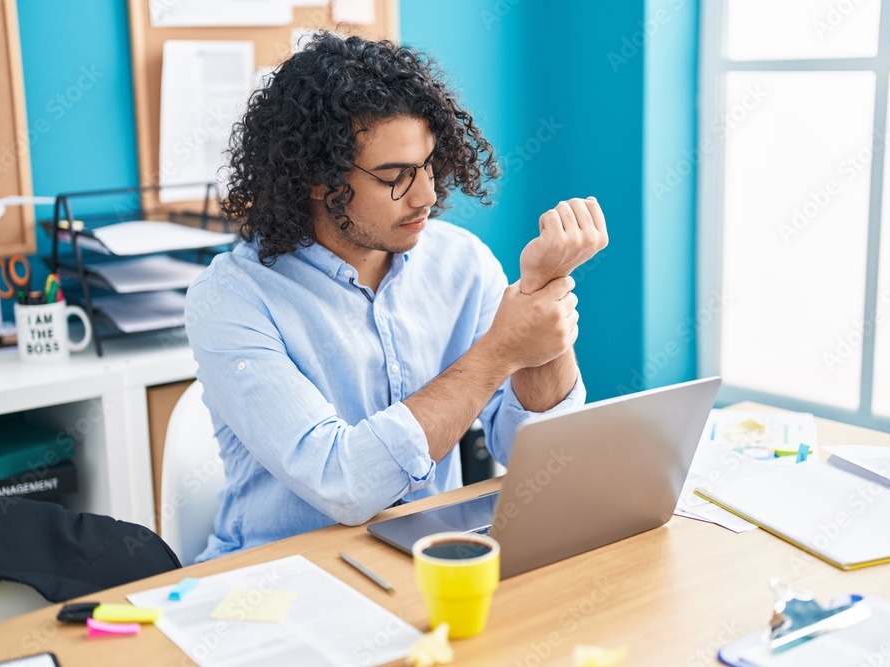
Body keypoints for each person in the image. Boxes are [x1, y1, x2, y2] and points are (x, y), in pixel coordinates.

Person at [184, 32, 607, 563]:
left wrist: (542, 293)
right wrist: (500, 351)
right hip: (281, 578)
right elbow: (344, 482)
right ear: (318, 177)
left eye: (428, 165)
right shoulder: (231, 299)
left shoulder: (462, 262)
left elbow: (533, 455)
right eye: (395, 176)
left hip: (429, 559)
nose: (428, 195)